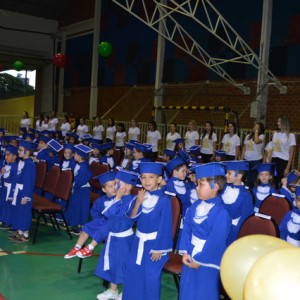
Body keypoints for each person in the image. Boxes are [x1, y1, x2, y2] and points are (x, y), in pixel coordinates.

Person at [178, 162, 231, 300]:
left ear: (215, 186)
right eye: (197, 184)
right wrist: (185, 251)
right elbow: (187, 229)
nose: (196, 188)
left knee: (204, 292)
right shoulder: (195, 206)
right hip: (190, 253)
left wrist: (200, 260)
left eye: (201, 184)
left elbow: (216, 241)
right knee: (187, 289)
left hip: (207, 260)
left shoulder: (221, 213)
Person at [122, 162, 173, 300]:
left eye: (151, 177)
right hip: (138, 242)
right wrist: (138, 202)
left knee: (151, 276)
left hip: (155, 245)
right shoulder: (139, 196)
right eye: (143, 177)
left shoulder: (164, 200)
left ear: (159, 179)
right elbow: (132, 218)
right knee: (133, 271)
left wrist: (159, 249)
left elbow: (166, 226)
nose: (147, 181)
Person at [95, 169, 139, 300]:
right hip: (113, 237)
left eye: (118, 183)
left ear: (129, 186)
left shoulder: (131, 201)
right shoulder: (117, 199)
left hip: (124, 239)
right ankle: (112, 290)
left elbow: (113, 213)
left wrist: (118, 198)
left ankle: (126, 292)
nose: (115, 186)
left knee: (124, 265)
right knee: (112, 264)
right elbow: (107, 213)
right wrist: (118, 198)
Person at [64, 171, 117, 259]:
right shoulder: (100, 200)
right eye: (110, 186)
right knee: (87, 227)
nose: (114, 188)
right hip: (101, 221)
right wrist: (99, 221)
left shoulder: (120, 199)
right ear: (104, 190)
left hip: (113, 224)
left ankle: (90, 248)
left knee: (103, 227)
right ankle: (77, 247)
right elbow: (95, 212)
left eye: (115, 185)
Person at [221, 160, 254, 245]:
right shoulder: (224, 189)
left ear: (239, 176)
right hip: (220, 226)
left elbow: (245, 218)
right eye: (226, 172)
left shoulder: (245, 196)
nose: (226, 175)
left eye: (229, 173)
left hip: (233, 231)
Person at [10, 140, 36, 242]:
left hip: (25, 192)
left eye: (21, 150)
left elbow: (29, 182)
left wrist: (26, 196)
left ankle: (25, 234)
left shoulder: (30, 165)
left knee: (24, 212)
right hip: (19, 190)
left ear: (27, 152)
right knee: (19, 211)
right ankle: (20, 231)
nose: (18, 152)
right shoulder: (23, 162)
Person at [64, 144, 93, 235]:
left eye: (75, 154)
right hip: (77, 189)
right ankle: (75, 223)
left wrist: (73, 185)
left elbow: (81, 180)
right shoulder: (79, 165)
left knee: (81, 208)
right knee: (75, 206)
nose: (74, 155)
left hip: (82, 191)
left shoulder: (84, 168)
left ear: (80, 156)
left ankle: (81, 226)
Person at [271, 115, 296, 188]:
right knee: (273, 182)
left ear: (284, 123)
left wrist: (287, 168)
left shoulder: (291, 136)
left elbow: (291, 153)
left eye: (279, 121)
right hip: (274, 160)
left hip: (283, 161)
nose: (277, 123)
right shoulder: (275, 133)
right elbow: (272, 148)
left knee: (282, 183)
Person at [241, 122, 265, 188]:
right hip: (247, 159)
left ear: (260, 129)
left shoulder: (262, 136)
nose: (255, 128)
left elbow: (256, 141)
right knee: (247, 177)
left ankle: (253, 191)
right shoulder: (248, 136)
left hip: (256, 160)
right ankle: (249, 190)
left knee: (253, 178)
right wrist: (242, 158)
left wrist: (256, 132)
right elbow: (244, 148)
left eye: (257, 127)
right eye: (255, 127)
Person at [0, 145, 19, 229]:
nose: (6, 157)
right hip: (4, 188)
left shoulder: (15, 167)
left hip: (10, 188)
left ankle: (9, 221)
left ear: (14, 156)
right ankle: (3, 219)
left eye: (8, 155)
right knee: (3, 204)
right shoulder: (6, 166)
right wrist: (1, 173)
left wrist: (12, 193)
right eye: (5, 155)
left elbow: (14, 181)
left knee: (9, 205)